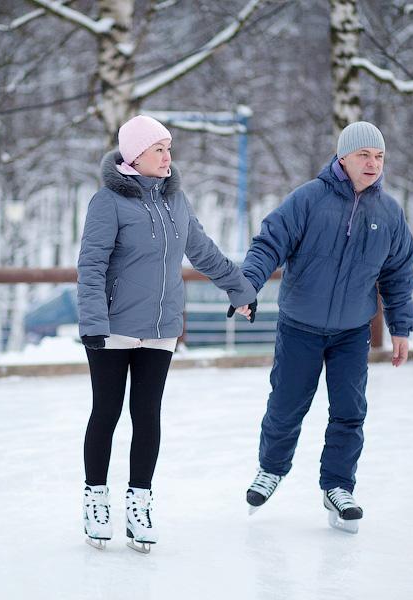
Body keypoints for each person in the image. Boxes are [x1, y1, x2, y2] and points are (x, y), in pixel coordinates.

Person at [76, 115, 257, 552]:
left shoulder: (177, 201)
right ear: (135, 154)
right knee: (107, 412)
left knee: (147, 414)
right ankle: (96, 499)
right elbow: (92, 265)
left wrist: (239, 288)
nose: (167, 156)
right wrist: (94, 324)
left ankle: (139, 503)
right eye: (159, 148)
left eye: (169, 148)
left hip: (161, 328)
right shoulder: (108, 202)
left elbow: (203, 251)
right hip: (115, 328)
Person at [234, 121, 413, 533]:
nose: (373, 164)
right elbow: (269, 243)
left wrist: (400, 327)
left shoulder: (389, 213)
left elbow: (399, 273)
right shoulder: (309, 199)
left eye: (379, 156)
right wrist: (248, 287)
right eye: (364, 155)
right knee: (286, 406)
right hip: (300, 325)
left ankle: (338, 486)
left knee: (350, 412)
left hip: (352, 331)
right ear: (343, 157)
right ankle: (271, 469)